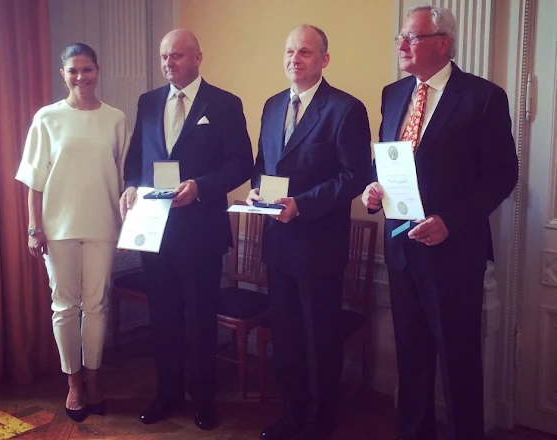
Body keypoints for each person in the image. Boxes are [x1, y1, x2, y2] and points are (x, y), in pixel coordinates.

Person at [361, 6, 518, 440]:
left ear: (442, 43)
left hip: (452, 253)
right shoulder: (393, 94)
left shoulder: (483, 96)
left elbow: (503, 174)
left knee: (458, 359)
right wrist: (374, 191)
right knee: (410, 358)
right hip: (401, 248)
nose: (402, 45)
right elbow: (389, 162)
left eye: (411, 37)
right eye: (401, 38)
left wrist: (450, 220)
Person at [120, 29, 253, 430]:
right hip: (154, 231)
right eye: (164, 57)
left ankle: (203, 399)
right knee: (163, 318)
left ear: (198, 57)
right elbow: (136, 159)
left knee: (199, 319)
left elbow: (240, 164)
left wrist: (200, 187)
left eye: (176, 56)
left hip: (200, 234)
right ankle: (168, 392)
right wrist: (129, 186)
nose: (168, 63)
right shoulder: (148, 102)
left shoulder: (225, 104)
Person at [247, 25, 372, 440]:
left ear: (324, 60)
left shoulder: (345, 109)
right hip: (277, 244)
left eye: (304, 52)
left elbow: (354, 176)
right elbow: (264, 163)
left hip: (318, 245)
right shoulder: (270, 105)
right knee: (286, 337)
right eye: (288, 52)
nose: (293, 60)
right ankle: (293, 412)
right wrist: (257, 192)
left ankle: (320, 422)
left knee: (319, 339)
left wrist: (302, 204)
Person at [15, 43, 130, 422]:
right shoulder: (47, 118)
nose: (81, 77)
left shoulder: (116, 118)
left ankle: (95, 379)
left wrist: (128, 226)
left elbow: (125, 177)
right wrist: (34, 228)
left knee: (97, 306)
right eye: (73, 71)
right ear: (62, 74)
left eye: (87, 69)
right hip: (57, 228)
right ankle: (74, 385)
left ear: (98, 70)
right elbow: (35, 179)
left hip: (103, 224)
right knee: (65, 307)